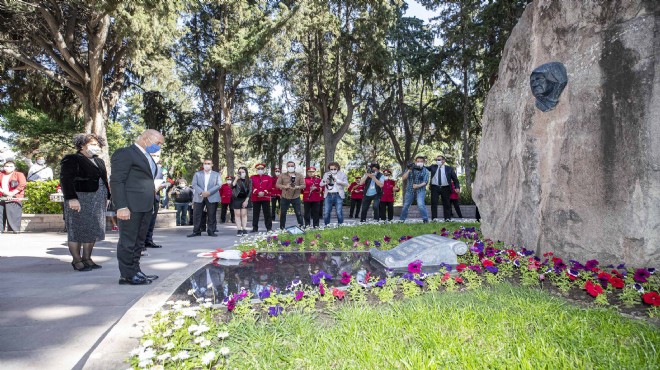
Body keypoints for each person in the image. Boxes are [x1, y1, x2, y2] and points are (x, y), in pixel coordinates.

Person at [111, 129, 165, 285]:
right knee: (128, 241)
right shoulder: (125, 153)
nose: (159, 146)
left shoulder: (146, 156)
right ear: (146, 138)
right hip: (131, 206)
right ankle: (126, 275)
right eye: (158, 143)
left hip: (146, 206)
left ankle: (135, 271)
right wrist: (121, 206)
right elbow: (117, 181)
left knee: (139, 242)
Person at [60, 135, 109, 271]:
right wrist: (71, 198)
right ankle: (77, 260)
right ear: (82, 145)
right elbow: (66, 179)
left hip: (97, 199)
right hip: (79, 198)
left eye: (98, 144)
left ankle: (87, 258)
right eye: (93, 144)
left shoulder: (99, 161)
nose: (96, 147)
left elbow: (104, 180)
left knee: (91, 229)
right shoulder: (72, 158)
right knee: (77, 230)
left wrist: (107, 196)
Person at [188, 159, 221, 237]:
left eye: (208, 163)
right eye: (205, 163)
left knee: (211, 214)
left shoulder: (216, 174)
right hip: (199, 196)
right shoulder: (197, 174)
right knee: (197, 214)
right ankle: (196, 231)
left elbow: (219, 185)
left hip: (212, 196)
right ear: (203, 165)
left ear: (212, 164)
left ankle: (211, 231)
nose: (207, 165)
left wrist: (209, 192)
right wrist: (201, 192)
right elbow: (194, 184)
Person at [144, 151, 167, 248]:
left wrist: (160, 187)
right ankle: (140, 243)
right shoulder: (143, 167)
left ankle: (149, 240)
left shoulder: (159, 168)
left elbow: (163, 182)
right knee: (144, 221)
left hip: (155, 197)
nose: (155, 157)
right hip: (144, 197)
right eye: (153, 155)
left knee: (152, 221)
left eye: (157, 155)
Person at [428, 155, 460, 221]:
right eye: (437, 160)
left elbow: (455, 179)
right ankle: (434, 218)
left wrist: (457, 187)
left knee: (447, 203)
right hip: (435, 187)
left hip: (445, 188)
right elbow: (424, 168)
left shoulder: (449, 168)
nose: (438, 161)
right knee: (434, 203)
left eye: (439, 160)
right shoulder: (433, 167)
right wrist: (416, 166)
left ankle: (447, 218)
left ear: (444, 161)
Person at [399, 156, 430, 222]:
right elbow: (403, 178)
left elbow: (425, 182)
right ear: (415, 162)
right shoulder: (410, 168)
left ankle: (425, 220)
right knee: (406, 205)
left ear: (423, 162)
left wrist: (418, 186)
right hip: (409, 190)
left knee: (421, 204)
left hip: (420, 190)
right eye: (418, 161)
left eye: (421, 161)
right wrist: (409, 171)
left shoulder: (426, 171)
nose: (419, 163)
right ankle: (401, 220)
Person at [276, 161, 305, 230]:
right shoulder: (282, 175)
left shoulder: (299, 175)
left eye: (292, 166)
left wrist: (297, 187)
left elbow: (303, 185)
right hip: (285, 197)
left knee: (298, 213)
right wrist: (285, 186)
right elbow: (277, 185)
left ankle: (301, 227)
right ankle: (282, 229)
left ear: (294, 167)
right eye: (289, 166)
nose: (290, 167)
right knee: (283, 213)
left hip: (296, 196)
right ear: (286, 167)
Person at [0, 160, 27, 233]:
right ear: (3, 167)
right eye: (7, 166)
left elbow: (22, 184)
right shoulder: (1, 174)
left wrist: (12, 194)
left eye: (11, 166)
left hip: (15, 196)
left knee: (13, 214)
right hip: (2, 195)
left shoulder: (19, 174)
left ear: (14, 167)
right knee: (1, 213)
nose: (8, 167)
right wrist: (4, 192)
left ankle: (14, 230)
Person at [250, 163, 273, 232]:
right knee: (255, 213)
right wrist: (257, 192)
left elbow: (270, 186)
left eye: (261, 169)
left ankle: (269, 228)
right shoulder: (252, 177)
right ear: (256, 170)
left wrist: (264, 192)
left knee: (267, 213)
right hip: (256, 198)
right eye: (258, 169)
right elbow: (251, 186)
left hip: (265, 197)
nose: (260, 170)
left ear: (264, 170)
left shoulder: (268, 177)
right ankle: (255, 228)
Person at [232, 166, 251, 236]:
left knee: (244, 214)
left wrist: (246, 200)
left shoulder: (249, 180)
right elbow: (232, 186)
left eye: (243, 172)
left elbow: (250, 190)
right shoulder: (236, 179)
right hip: (237, 198)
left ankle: (244, 229)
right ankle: (239, 229)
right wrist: (236, 179)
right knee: (237, 214)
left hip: (245, 198)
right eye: (240, 172)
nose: (241, 173)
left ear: (246, 173)